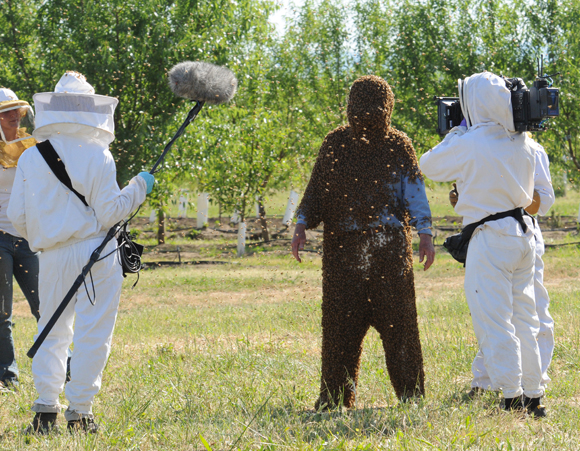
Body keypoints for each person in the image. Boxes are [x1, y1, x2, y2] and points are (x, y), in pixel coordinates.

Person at [7, 71, 155, 433]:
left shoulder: (30, 157)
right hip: (97, 253)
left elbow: (16, 217)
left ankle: (45, 411)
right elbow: (110, 213)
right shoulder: (99, 155)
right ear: (90, 109)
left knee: (51, 330)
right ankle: (81, 412)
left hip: (53, 255)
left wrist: (48, 236)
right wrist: (139, 187)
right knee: (93, 332)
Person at [292, 75, 435, 410]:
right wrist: (301, 223)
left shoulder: (398, 145)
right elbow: (317, 190)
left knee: (400, 332)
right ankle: (335, 398)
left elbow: (415, 196)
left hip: (387, 252)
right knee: (341, 333)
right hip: (346, 253)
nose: (368, 113)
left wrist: (425, 232)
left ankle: (410, 396)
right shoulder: (335, 144)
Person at [420, 71, 546, 417]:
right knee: (526, 318)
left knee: (494, 320)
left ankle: (510, 395)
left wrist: (457, 131)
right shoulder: (521, 141)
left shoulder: (469, 142)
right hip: (524, 234)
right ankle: (534, 395)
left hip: (490, 239)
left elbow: (427, 164)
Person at [468, 135, 555, 395]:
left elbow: (543, 202)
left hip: (522, 235)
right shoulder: (480, 147)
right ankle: (486, 381)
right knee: (491, 313)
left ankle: (534, 382)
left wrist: (509, 194)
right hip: (487, 236)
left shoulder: (532, 149)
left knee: (532, 311)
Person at [0, 88, 40, 391]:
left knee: (47, 307)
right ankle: (8, 377)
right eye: (6, 112)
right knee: (3, 313)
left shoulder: (30, 143)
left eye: (16, 110)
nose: (14, 116)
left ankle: (62, 365)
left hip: (28, 237)